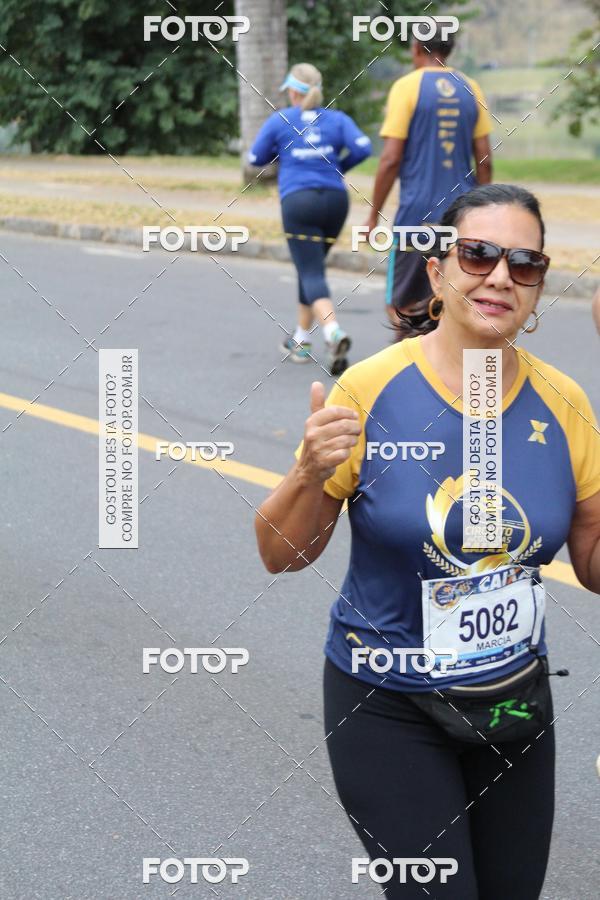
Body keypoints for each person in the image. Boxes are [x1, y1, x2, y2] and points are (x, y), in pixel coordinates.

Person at [255, 184, 600, 898]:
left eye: (524, 263)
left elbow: (593, 565)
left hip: (511, 701)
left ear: (538, 287)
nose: (500, 276)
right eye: (478, 254)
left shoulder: (565, 404)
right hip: (387, 701)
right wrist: (307, 472)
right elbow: (280, 553)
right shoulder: (371, 388)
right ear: (439, 269)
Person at [248, 63, 371, 374]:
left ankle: (333, 333)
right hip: (335, 201)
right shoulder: (337, 119)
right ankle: (301, 340)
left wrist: (278, 155)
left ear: (293, 91)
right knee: (311, 268)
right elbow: (364, 147)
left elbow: (253, 158)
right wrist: (339, 166)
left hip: (299, 202)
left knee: (312, 272)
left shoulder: (281, 120)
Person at [366, 31, 493, 329]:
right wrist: (486, 212)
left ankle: (412, 369)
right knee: (453, 303)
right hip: (462, 218)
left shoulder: (406, 87)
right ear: (449, 49)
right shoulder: (471, 87)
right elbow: (484, 157)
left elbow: (390, 159)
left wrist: (373, 215)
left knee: (402, 309)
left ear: (415, 49)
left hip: (416, 218)